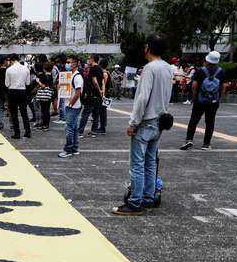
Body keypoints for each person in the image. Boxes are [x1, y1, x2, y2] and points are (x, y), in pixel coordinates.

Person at [112, 35, 172, 215]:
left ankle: (135, 203)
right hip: (160, 120)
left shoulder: (149, 69)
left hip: (145, 122)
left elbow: (142, 98)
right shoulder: (168, 68)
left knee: (137, 164)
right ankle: (148, 198)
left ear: (148, 48)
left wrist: (133, 123)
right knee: (150, 162)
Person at [180, 51, 227, 151]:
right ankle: (206, 144)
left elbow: (194, 85)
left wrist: (195, 97)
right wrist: (219, 98)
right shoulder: (221, 71)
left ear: (207, 59)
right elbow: (223, 86)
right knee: (210, 122)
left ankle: (189, 140)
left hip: (200, 101)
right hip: (213, 101)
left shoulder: (200, 70)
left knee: (194, 120)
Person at [58, 56, 85, 158]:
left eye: (69, 62)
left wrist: (71, 104)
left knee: (69, 128)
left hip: (73, 106)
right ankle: (74, 148)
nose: (67, 64)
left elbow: (78, 92)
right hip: (70, 105)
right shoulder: (69, 75)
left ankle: (68, 149)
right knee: (73, 128)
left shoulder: (77, 76)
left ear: (75, 63)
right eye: (67, 62)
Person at [5, 55, 32, 140]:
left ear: (12, 60)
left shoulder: (9, 70)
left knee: (14, 114)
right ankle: (27, 132)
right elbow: (28, 83)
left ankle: (17, 133)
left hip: (12, 91)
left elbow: (7, 84)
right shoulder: (26, 69)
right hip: (22, 91)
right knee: (24, 113)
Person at [78, 54, 105, 137]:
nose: (88, 60)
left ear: (93, 59)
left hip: (92, 95)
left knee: (85, 114)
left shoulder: (93, 68)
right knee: (96, 115)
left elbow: (94, 81)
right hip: (98, 96)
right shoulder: (100, 69)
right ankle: (94, 132)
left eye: (89, 59)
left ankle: (80, 132)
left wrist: (98, 89)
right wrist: (102, 92)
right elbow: (103, 82)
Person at [34, 62, 54, 131]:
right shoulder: (51, 76)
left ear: (45, 69)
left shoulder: (45, 76)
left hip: (43, 95)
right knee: (47, 110)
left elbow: (43, 86)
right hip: (48, 95)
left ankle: (45, 125)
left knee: (44, 110)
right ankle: (46, 125)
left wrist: (38, 81)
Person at [0, 56, 9, 130]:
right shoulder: (8, 71)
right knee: (10, 107)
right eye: (7, 61)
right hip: (8, 91)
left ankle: (0, 124)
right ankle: (12, 124)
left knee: (1, 108)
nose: (8, 62)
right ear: (4, 62)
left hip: (0, 91)